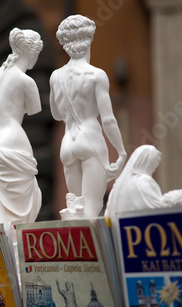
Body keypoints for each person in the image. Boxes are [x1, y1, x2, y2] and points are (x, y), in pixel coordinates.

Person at [50, 14, 127, 217]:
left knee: (75, 212)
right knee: (92, 211)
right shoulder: (96, 75)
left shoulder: (56, 76)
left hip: (68, 144)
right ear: (89, 40)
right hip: (90, 139)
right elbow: (108, 120)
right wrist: (121, 152)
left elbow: (56, 114)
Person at [0, 27, 43, 224]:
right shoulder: (26, 81)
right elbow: (34, 110)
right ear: (32, 53)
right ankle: (17, 250)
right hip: (12, 143)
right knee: (22, 209)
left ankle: (5, 251)